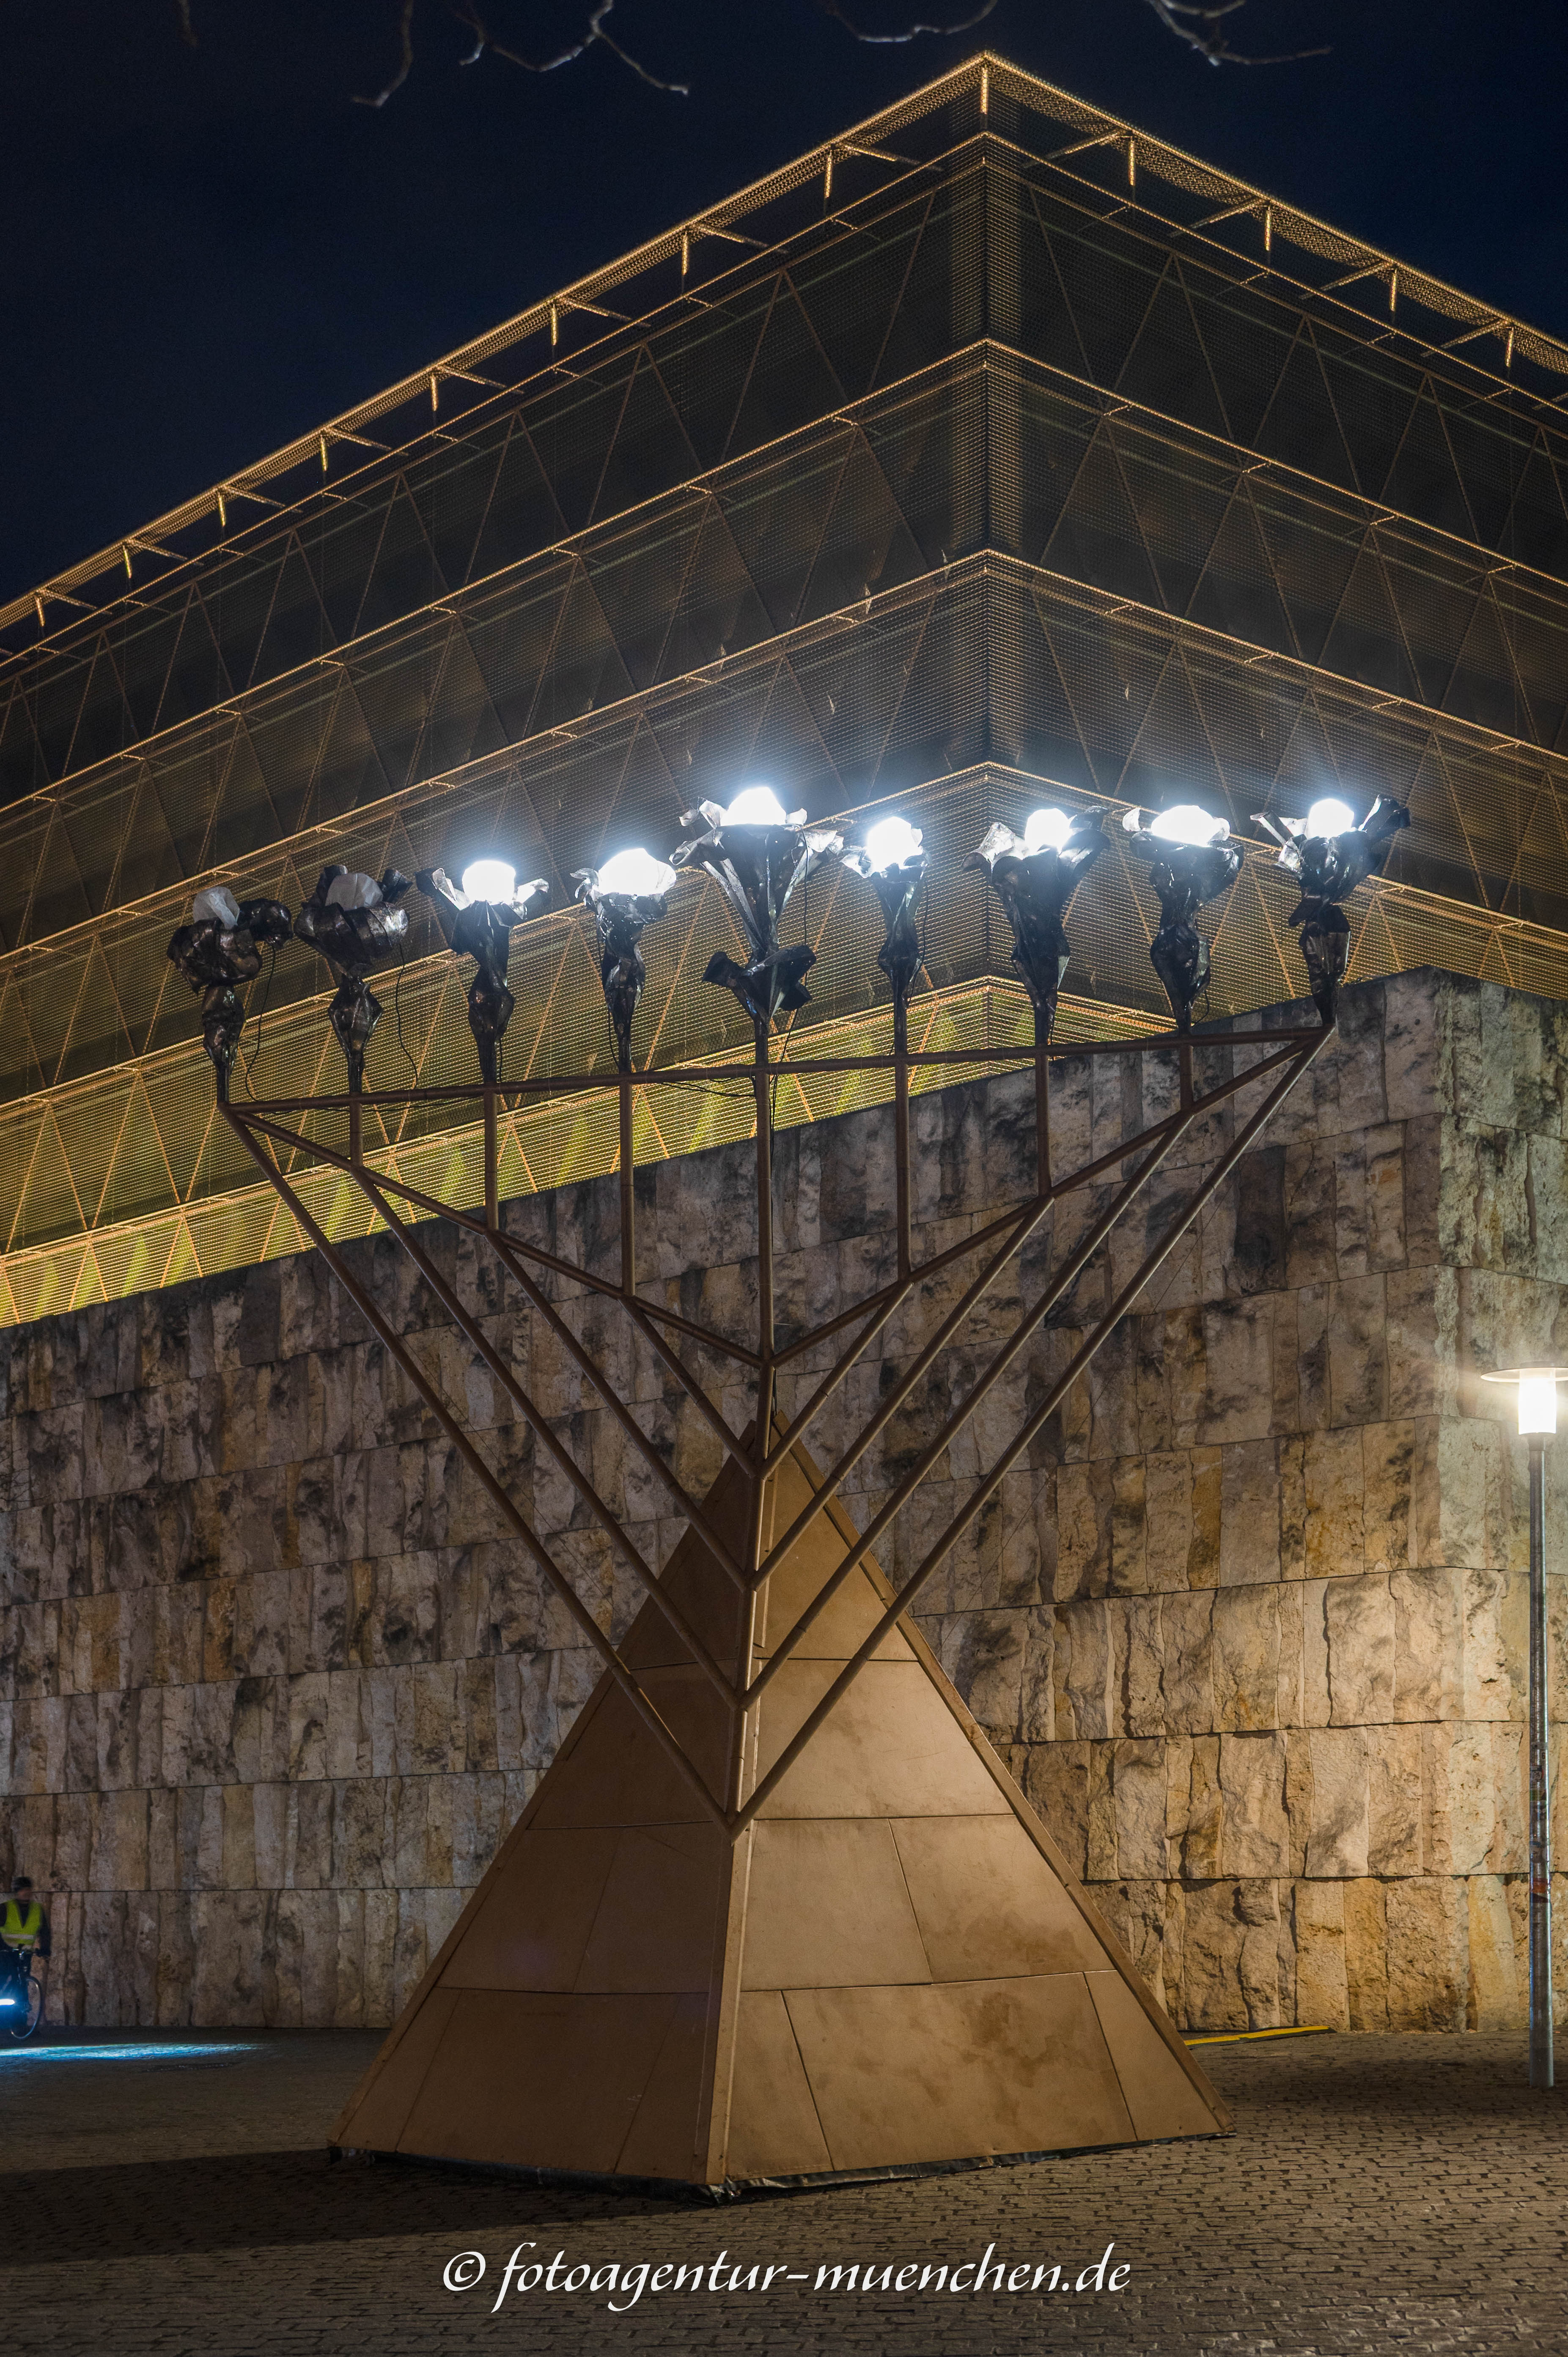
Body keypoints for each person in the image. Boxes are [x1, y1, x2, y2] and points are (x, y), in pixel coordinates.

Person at [1, 1876, 50, 2017]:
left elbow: (44, 1931)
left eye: (28, 1889)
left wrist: (45, 1949)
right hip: (6, 1952)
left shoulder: (37, 1909)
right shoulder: (5, 1908)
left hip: (25, 1953)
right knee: (3, 1979)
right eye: (23, 1890)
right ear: (17, 1892)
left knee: (22, 1985)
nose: (26, 1892)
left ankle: (20, 2023)